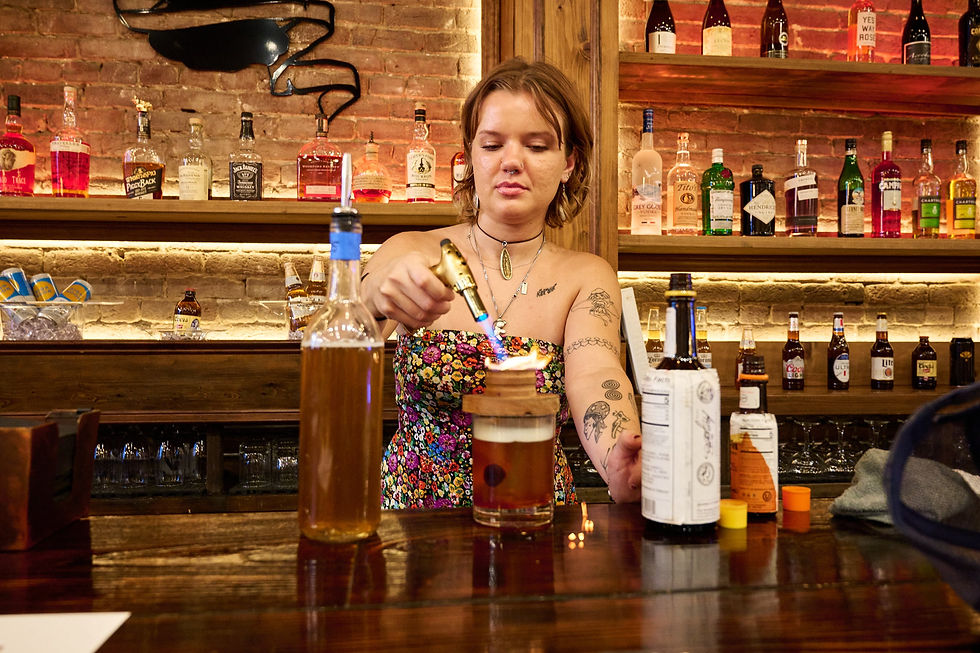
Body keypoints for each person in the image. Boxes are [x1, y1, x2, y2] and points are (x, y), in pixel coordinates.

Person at [361, 57, 641, 509]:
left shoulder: (586, 276)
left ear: (569, 162)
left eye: (537, 145)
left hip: (535, 514)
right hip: (414, 529)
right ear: (471, 154)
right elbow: (345, 323)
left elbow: (597, 375)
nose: (511, 161)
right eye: (492, 145)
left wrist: (617, 460)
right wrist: (374, 300)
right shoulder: (412, 251)